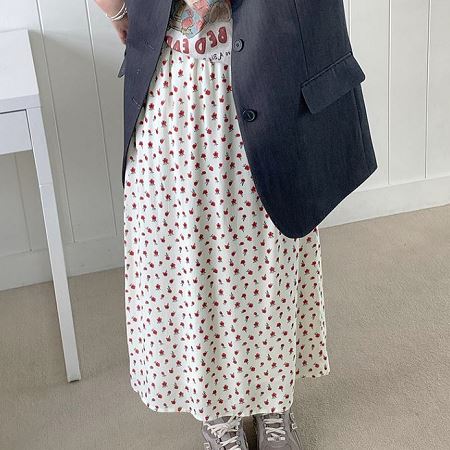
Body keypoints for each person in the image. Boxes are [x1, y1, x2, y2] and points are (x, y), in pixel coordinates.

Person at [95, 0, 376, 448]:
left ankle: (272, 399)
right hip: (177, 84)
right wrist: (117, 11)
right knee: (190, 256)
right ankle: (217, 412)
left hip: (273, 70)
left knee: (269, 250)